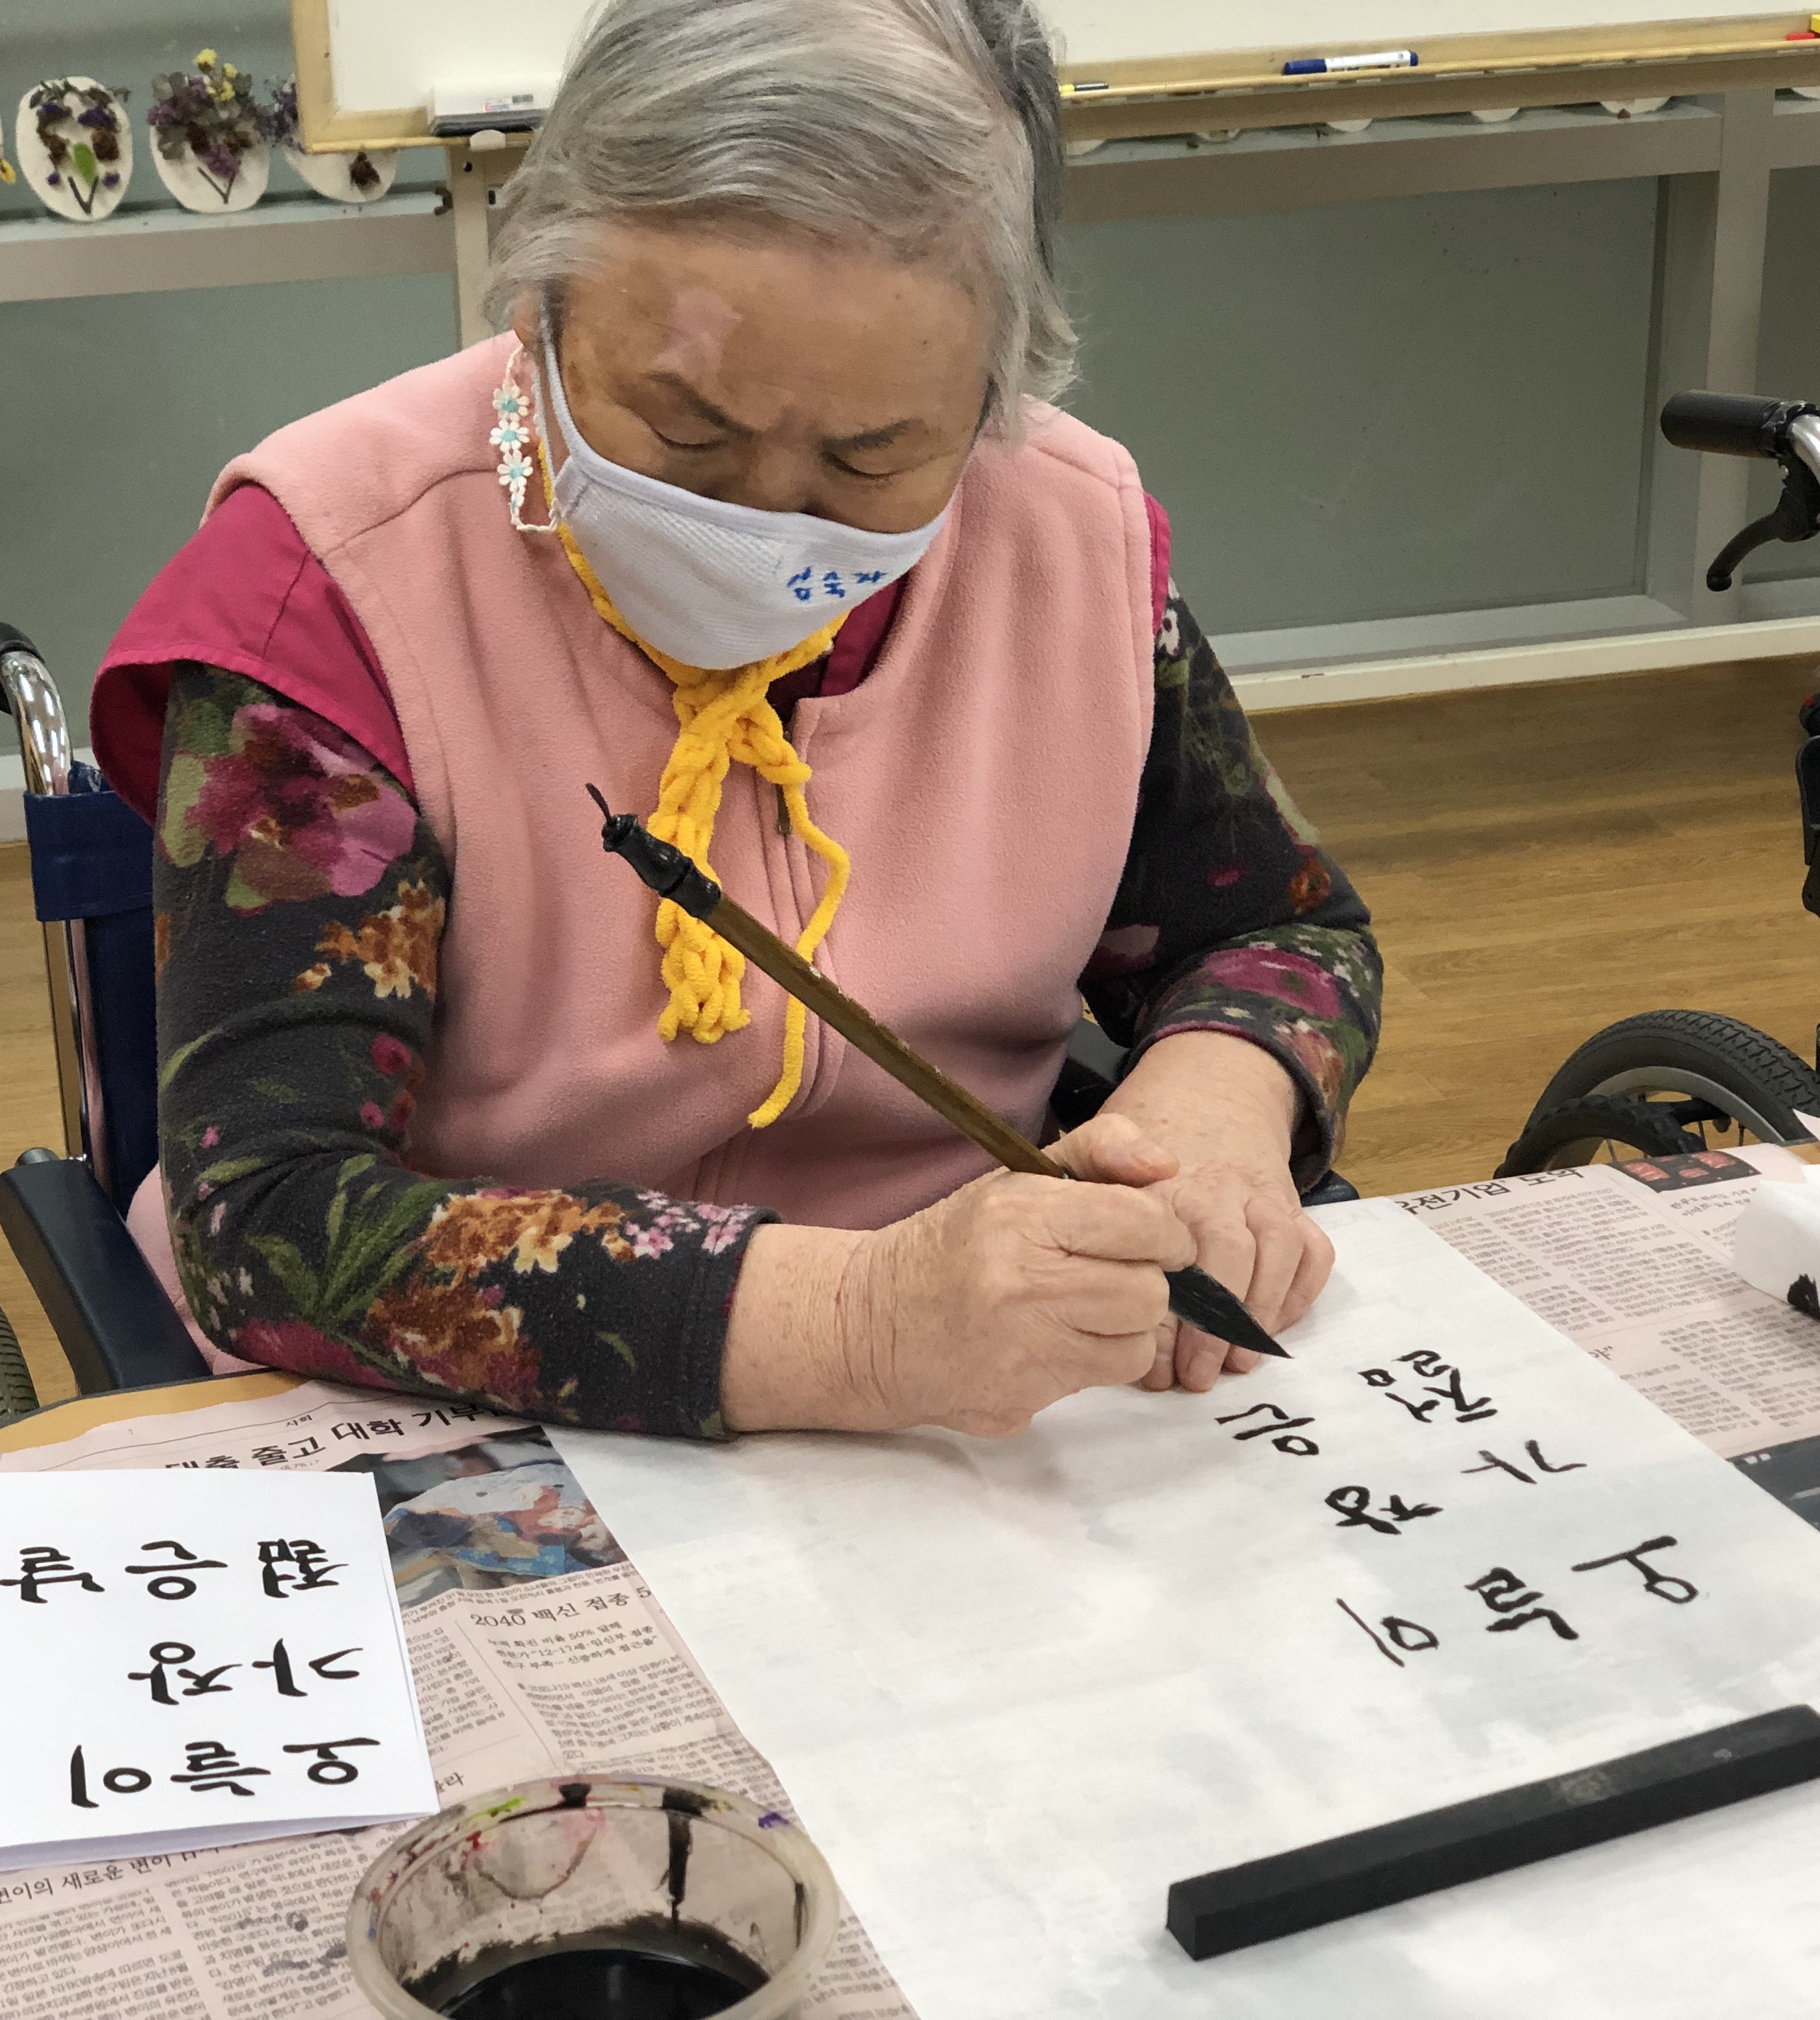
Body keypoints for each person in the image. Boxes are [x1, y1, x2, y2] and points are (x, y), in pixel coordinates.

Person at [89, 0, 1381, 1442]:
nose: (763, 517)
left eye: (872, 455)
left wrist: (1217, 1108)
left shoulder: (1069, 543)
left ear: (998, 386)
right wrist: (854, 1325)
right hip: (452, 1407)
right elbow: (268, 1216)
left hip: (974, 1394)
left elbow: (1275, 932)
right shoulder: (333, 587)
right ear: (539, 307)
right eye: (684, 434)